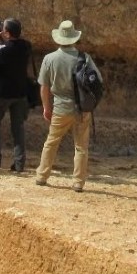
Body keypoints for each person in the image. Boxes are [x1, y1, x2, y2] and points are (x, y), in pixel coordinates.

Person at [35, 20, 100, 193]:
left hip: (60, 107)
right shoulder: (84, 58)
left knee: (51, 142)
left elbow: (44, 87)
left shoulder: (49, 59)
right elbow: (98, 81)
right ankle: (78, 182)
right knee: (81, 147)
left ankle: (42, 175)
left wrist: (46, 108)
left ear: (58, 38)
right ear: (74, 38)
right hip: (81, 109)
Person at [0, 18, 32, 171]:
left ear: (7, 33)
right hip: (20, 94)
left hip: (1, 95)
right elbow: (12, 46)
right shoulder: (26, 46)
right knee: (18, 128)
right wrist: (4, 38)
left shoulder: (4, 49)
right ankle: (19, 163)